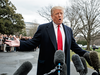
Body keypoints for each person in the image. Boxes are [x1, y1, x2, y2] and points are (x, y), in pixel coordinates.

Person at [5, 6, 88, 75]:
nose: (59, 15)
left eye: (61, 13)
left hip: (64, 68)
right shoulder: (43, 28)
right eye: (57, 13)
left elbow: (74, 46)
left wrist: (87, 54)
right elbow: (33, 43)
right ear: (52, 16)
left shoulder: (68, 30)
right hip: (46, 68)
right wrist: (20, 43)